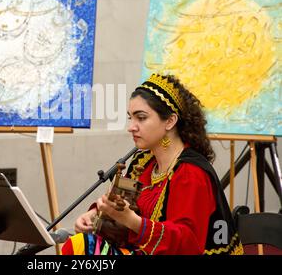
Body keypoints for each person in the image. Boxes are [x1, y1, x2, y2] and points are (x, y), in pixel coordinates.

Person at [61, 73, 243, 255]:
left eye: (141, 118)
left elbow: (188, 244)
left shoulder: (190, 173)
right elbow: (121, 203)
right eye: (130, 118)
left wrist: (133, 222)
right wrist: (96, 214)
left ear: (170, 121)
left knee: (84, 247)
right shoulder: (144, 162)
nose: (131, 126)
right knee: (80, 244)